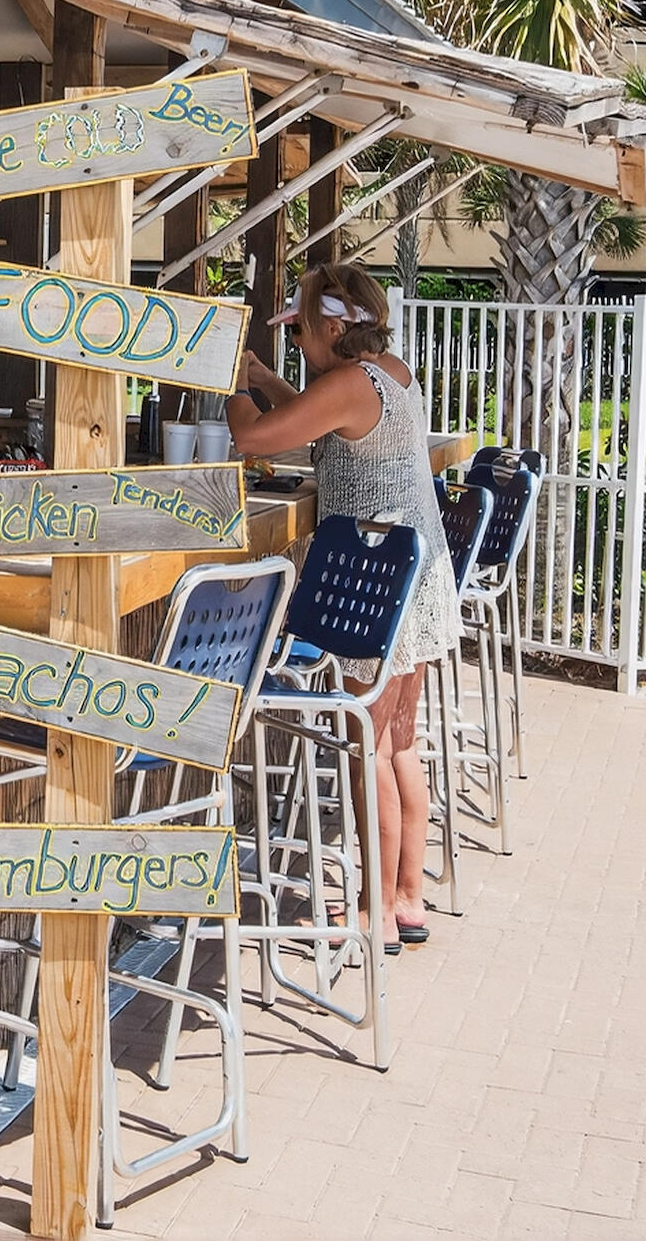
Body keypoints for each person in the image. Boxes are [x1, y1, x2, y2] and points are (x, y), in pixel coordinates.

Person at [223, 261, 456, 952]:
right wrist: (267, 380)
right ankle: (407, 898)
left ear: (331, 328)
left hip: (374, 590)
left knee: (366, 750)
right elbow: (320, 419)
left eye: (299, 330)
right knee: (400, 744)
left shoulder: (351, 384)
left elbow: (254, 438)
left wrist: (230, 381)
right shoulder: (388, 372)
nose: (297, 341)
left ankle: (371, 913)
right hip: (414, 580)